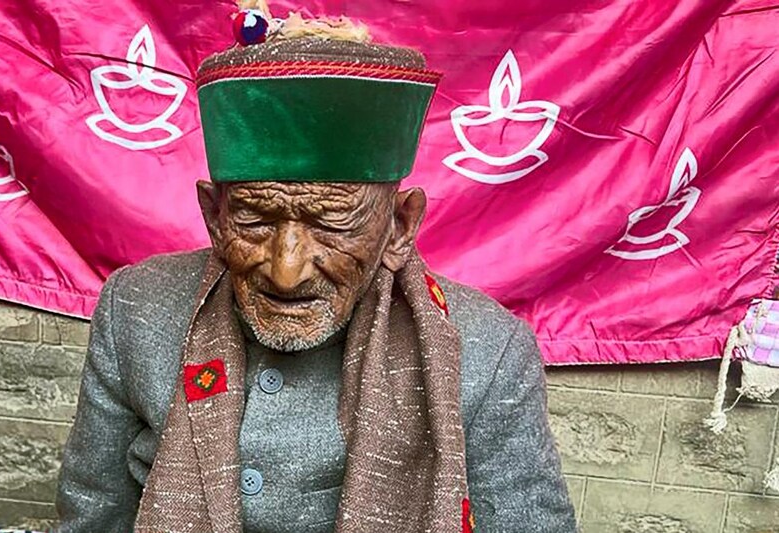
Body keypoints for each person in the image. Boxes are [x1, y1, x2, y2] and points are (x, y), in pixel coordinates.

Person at [55, 5, 577, 533]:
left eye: (331, 225)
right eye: (256, 220)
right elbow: (92, 516)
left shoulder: (487, 351)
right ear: (215, 218)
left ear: (399, 227)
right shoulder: (135, 310)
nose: (286, 272)